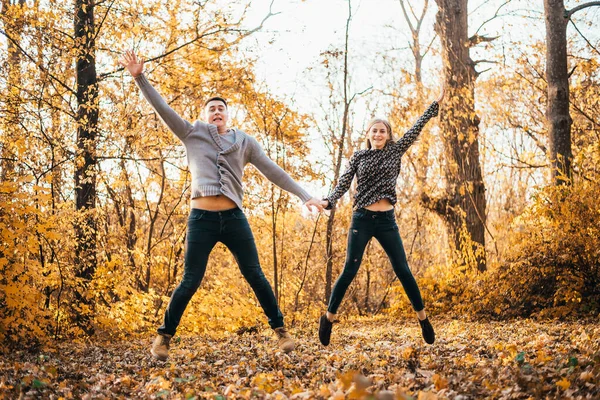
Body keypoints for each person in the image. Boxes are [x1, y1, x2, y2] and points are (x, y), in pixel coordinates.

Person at [119, 50, 324, 360]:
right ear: (205, 115)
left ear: (228, 115)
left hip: (233, 218)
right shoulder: (191, 132)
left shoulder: (245, 142)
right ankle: (163, 338)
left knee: (255, 274)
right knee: (190, 280)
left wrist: (304, 195)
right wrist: (139, 77)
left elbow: (274, 171)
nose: (217, 112)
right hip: (201, 218)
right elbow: (161, 108)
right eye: (212, 109)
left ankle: (281, 332)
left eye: (221, 109)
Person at [318, 92, 444, 346]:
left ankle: (423, 319)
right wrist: (328, 201)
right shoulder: (359, 157)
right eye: (374, 131)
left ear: (388, 135)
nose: (378, 134)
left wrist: (434, 105)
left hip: (387, 220)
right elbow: (343, 183)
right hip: (362, 219)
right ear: (368, 134)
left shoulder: (396, 151)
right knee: (349, 270)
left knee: (403, 270)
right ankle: (328, 318)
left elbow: (416, 128)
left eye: (382, 131)